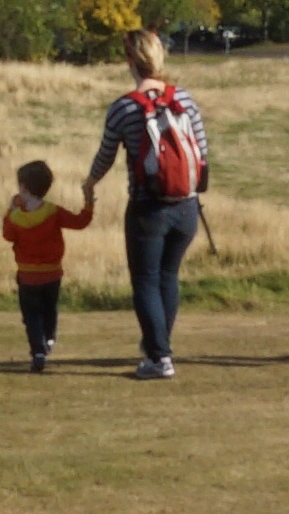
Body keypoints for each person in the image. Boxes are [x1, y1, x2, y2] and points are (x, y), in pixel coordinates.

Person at [86, 41, 214, 378]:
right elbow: (201, 151)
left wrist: (89, 183)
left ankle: (159, 358)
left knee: (145, 280)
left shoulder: (122, 109)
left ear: (130, 60)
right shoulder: (183, 99)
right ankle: (160, 345)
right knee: (168, 277)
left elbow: (105, 156)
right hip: (186, 207)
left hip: (147, 208)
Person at [0, 159, 88, 372]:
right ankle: (49, 337)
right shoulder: (53, 212)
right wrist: (89, 202)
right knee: (50, 308)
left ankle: (38, 351)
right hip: (52, 273)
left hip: (28, 276)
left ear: (24, 188)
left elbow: (7, 235)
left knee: (31, 315)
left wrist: (10, 211)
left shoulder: (17, 217)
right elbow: (80, 222)